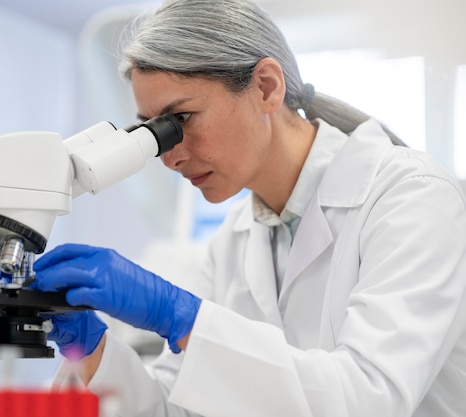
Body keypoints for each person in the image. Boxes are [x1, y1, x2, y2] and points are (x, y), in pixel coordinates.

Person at [29, 0, 466, 416]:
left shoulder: (411, 199)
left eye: (179, 120)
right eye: (152, 130)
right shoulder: (237, 238)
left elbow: (368, 399)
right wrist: (94, 352)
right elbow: (180, 409)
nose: (169, 156)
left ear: (266, 87)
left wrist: (181, 318)